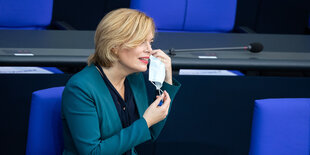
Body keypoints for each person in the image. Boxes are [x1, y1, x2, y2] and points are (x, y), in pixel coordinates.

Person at [61, 8, 181, 155]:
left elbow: (150, 133)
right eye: (141, 42)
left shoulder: (134, 77)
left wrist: (166, 79)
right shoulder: (80, 88)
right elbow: (93, 152)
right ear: (114, 46)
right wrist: (146, 121)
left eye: (150, 42)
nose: (150, 50)